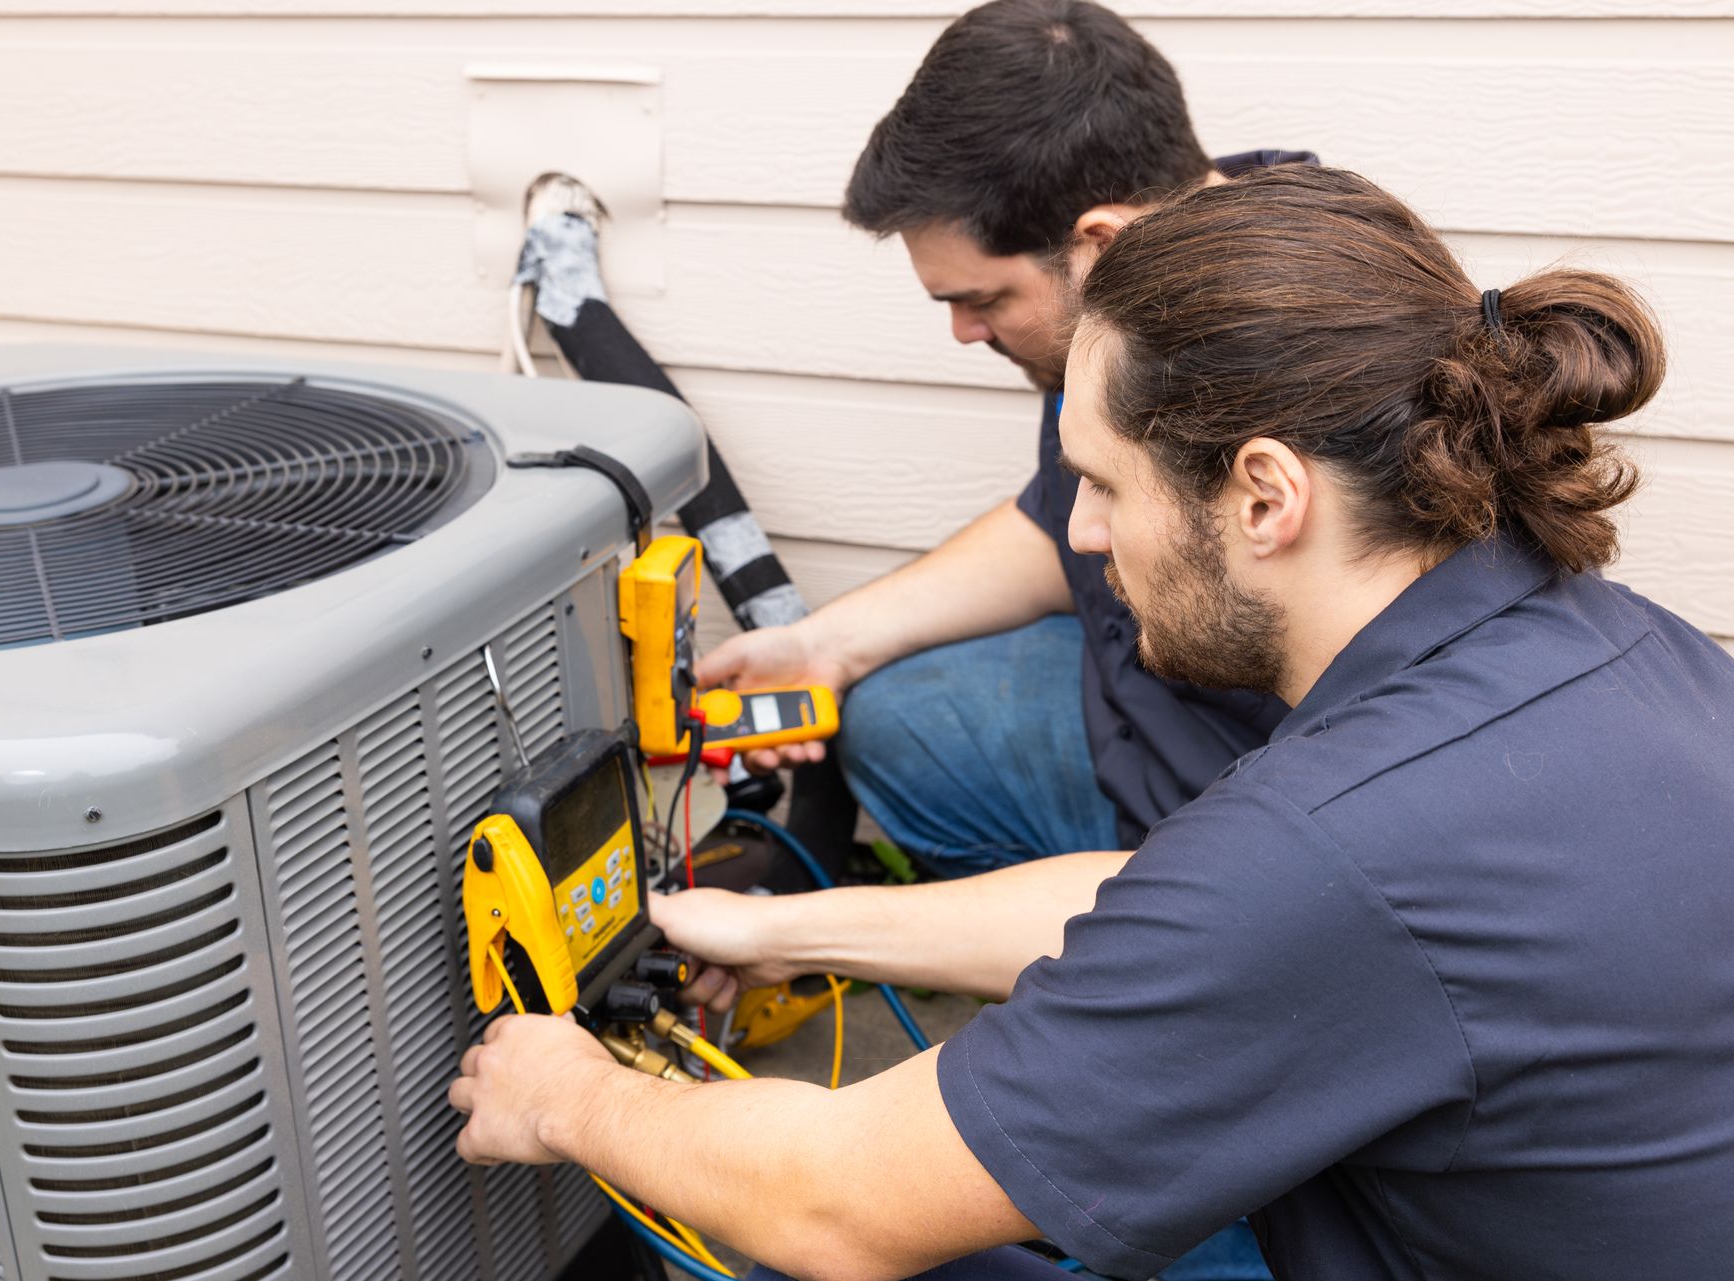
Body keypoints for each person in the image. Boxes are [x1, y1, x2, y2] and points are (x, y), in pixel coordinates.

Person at [449, 165, 1734, 1280]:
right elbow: (1181, 906)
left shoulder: (1334, 847)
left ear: (1265, 497)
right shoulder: (1615, 649)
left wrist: (568, 1098)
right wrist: (785, 928)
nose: (1080, 532)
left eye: (1105, 483)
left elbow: (836, 1202)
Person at [697, 0, 1312, 869]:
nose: (964, 332)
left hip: (1250, 814)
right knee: (894, 711)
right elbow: (1055, 522)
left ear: (1097, 244)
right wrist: (825, 644)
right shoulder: (1151, 275)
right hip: (1148, 704)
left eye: (982, 300)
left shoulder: (1303, 367)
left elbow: (1347, 795)